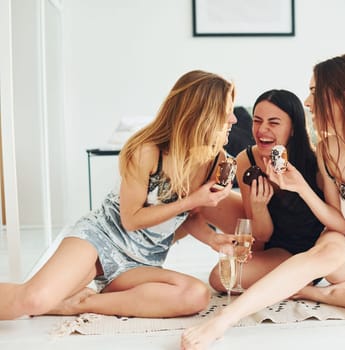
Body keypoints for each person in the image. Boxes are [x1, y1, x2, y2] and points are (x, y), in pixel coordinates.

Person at [181, 54, 345, 350]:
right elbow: (339, 222)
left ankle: (321, 294)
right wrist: (301, 187)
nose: (307, 101)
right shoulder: (329, 148)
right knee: (325, 251)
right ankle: (223, 321)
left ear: (342, 97)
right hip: (343, 249)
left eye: (314, 92)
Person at [0, 70, 243, 320]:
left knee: (195, 295)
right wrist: (194, 199)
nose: (233, 119)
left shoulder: (218, 162)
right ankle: (57, 299)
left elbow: (188, 217)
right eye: (226, 111)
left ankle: (79, 304)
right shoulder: (146, 151)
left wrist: (213, 239)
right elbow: (131, 219)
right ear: (200, 115)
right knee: (34, 299)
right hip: (101, 238)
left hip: (142, 262)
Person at [208, 89, 325, 292]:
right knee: (223, 276)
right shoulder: (247, 160)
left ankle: (299, 279)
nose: (262, 129)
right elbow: (261, 236)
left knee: (219, 278)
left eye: (273, 123)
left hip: (302, 252)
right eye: (257, 120)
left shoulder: (316, 164)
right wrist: (258, 206)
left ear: (293, 128)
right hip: (270, 244)